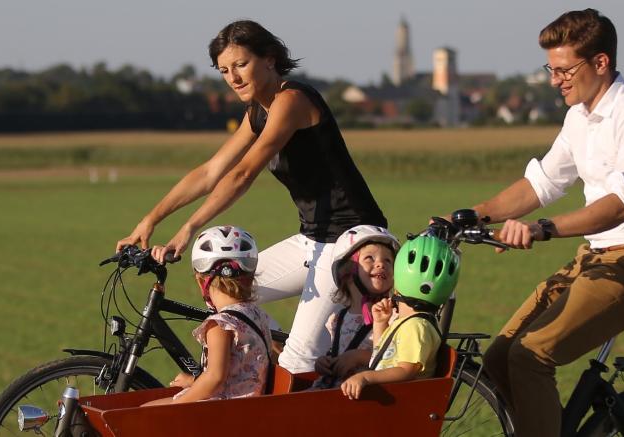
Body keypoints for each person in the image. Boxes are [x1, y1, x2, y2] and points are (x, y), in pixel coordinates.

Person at [459, 9, 624, 436]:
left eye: (564, 69)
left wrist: (543, 229)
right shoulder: (579, 117)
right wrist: (468, 216)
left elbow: (619, 205)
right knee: (499, 357)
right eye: (551, 68)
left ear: (600, 63)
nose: (554, 79)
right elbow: (539, 185)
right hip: (599, 258)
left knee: (531, 355)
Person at [115, 20, 388, 373]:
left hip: (350, 240)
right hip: (313, 239)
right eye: (224, 70)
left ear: (270, 59)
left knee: (298, 362)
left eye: (241, 65)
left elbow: (243, 174)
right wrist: (149, 220)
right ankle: (272, 363)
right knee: (229, 291)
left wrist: (189, 228)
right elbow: (211, 171)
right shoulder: (258, 110)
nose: (233, 77)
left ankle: (301, 374)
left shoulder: (292, 101)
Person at [142, 225, 274, 406]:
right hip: (248, 408)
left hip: (221, 413)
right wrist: (193, 382)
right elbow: (238, 374)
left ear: (201, 281)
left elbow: (215, 377)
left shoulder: (220, 325)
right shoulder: (258, 315)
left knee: (145, 410)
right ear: (251, 278)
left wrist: (177, 404)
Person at [340, 235, 458, 400]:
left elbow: (406, 370)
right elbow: (381, 356)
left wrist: (366, 377)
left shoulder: (416, 326)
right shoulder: (407, 323)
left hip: (396, 404)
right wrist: (381, 324)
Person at [312, 225, 400, 389]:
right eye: (370, 258)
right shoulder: (337, 319)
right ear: (348, 270)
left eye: (388, 260)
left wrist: (359, 357)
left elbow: (393, 359)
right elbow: (338, 351)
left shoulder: (392, 317)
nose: (381, 264)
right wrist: (325, 362)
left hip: (367, 394)